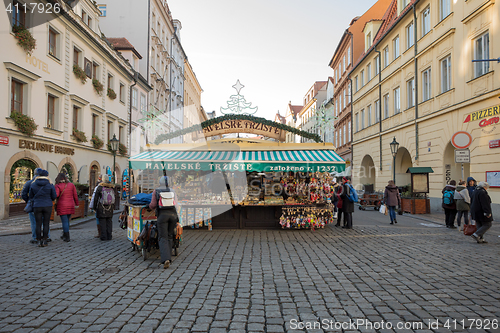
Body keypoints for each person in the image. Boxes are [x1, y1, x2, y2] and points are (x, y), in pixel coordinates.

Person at [149, 176, 178, 269]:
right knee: (170, 236)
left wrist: (149, 206)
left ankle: (166, 259)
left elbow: (153, 205)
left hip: (162, 216)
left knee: (162, 237)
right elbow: (176, 204)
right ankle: (169, 256)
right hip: (173, 216)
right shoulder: (172, 191)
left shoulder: (156, 191)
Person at [29, 169, 56, 247]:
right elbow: (54, 196)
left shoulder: (33, 184)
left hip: (37, 206)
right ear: (47, 176)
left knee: (38, 223)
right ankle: (45, 240)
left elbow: (30, 196)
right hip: (47, 205)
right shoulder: (50, 184)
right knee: (46, 223)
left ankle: (38, 240)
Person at [21, 168, 44, 244]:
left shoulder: (29, 183)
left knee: (34, 222)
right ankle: (46, 236)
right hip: (44, 205)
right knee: (44, 221)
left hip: (33, 205)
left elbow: (23, 194)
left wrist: (28, 201)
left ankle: (35, 237)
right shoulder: (47, 183)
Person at [54, 173, 79, 242]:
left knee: (64, 221)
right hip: (70, 205)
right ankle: (65, 234)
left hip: (62, 205)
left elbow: (56, 195)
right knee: (67, 220)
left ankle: (67, 236)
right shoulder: (71, 185)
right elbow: (75, 195)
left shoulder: (58, 185)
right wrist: (77, 204)